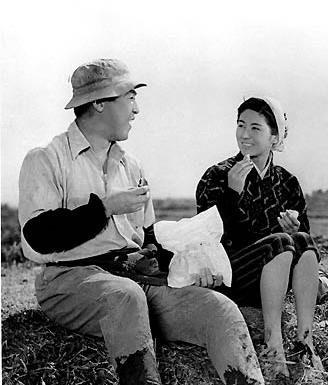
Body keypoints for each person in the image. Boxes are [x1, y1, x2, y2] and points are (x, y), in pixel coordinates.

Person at [18, 58, 265, 385]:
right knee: (124, 297)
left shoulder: (130, 165)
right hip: (69, 280)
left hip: (131, 277)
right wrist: (105, 208)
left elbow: (147, 236)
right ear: (100, 103)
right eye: (130, 98)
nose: (137, 110)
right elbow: (38, 237)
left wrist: (169, 261)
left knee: (219, 309)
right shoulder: (46, 158)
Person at [195, 97, 325, 381]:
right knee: (279, 243)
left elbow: (306, 241)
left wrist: (293, 229)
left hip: (277, 279)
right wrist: (232, 193)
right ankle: (273, 344)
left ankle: (306, 340)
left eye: (255, 128)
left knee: (300, 240)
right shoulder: (218, 176)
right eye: (241, 125)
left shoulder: (287, 182)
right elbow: (207, 238)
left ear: (274, 136)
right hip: (232, 276)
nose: (245, 134)